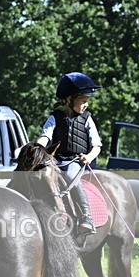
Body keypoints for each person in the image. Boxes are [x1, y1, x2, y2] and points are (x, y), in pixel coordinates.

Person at [36, 72, 103, 235]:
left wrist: (89, 156)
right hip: (56, 160)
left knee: (70, 178)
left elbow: (97, 145)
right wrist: (38, 148)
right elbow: (45, 136)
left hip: (75, 161)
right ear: (69, 100)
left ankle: (86, 218)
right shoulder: (55, 117)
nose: (86, 105)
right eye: (83, 101)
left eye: (87, 101)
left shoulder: (87, 118)